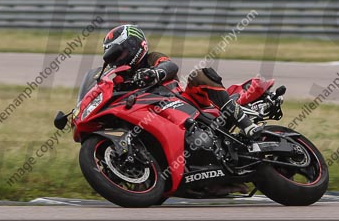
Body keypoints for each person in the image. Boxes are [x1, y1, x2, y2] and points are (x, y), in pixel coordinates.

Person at [102, 24, 262, 138]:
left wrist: (155, 73)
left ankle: (247, 125)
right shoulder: (120, 77)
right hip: (150, 115)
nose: (118, 59)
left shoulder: (151, 58)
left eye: (120, 53)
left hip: (181, 101)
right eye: (114, 56)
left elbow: (170, 66)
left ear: (134, 46)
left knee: (200, 75)